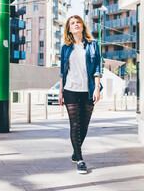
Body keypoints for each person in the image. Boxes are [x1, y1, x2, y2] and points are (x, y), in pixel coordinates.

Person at [58, 15, 102, 174]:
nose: (76, 25)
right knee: (75, 125)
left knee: (84, 125)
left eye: (78, 22)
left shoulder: (93, 45)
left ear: (83, 26)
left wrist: (97, 88)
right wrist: (60, 91)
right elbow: (63, 72)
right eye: (72, 23)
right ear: (69, 29)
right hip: (70, 89)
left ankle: (75, 151)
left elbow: (97, 68)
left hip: (88, 90)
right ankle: (81, 159)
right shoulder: (65, 47)